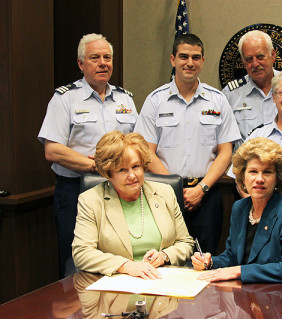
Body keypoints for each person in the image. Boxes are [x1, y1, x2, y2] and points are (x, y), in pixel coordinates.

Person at [38, 33, 138, 278]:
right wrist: (97, 167)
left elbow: (136, 144)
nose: (103, 63)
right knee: (77, 262)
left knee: (120, 257)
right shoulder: (65, 99)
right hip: (76, 189)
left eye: (107, 57)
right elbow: (52, 150)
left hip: (119, 191)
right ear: (81, 64)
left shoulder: (125, 99)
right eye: (95, 58)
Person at [134, 33, 241, 255]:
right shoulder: (155, 100)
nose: (189, 63)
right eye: (184, 57)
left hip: (207, 193)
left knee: (205, 259)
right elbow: (146, 152)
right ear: (173, 60)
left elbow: (226, 152)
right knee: (165, 258)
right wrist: (175, 188)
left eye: (196, 57)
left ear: (203, 61)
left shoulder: (218, 100)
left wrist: (201, 190)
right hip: (163, 193)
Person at [72, 131, 194, 278]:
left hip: (161, 279)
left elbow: (185, 242)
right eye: (122, 169)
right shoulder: (91, 200)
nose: (132, 175)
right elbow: (82, 253)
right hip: (114, 283)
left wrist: (164, 256)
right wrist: (125, 266)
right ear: (108, 173)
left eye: (136, 166)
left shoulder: (164, 193)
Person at [191, 137, 282, 284]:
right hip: (243, 294)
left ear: (277, 178)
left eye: (267, 172)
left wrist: (239, 270)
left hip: (277, 297)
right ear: (242, 177)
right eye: (253, 171)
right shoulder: (240, 208)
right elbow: (232, 256)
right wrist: (210, 261)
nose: (259, 179)